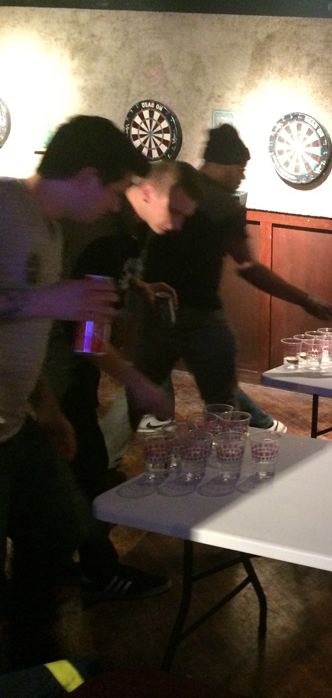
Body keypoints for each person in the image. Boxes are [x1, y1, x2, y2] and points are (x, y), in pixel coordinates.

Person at [0, 115, 148, 668]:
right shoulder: (5, 206)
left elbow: (24, 333)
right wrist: (48, 301)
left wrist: (48, 408)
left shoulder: (54, 230)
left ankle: (31, 656)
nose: (115, 205)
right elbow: (38, 309)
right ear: (86, 176)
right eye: (115, 190)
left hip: (17, 422)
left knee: (59, 526)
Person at [43, 160, 204, 604]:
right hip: (56, 371)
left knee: (66, 472)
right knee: (86, 470)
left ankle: (57, 562)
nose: (177, 224)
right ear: (147, 192)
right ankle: (99, 574)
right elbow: (87, 340)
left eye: (186, 216)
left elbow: (102, 276)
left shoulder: (128, 229)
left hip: (59, 368)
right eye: (175, 211)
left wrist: (139, 285)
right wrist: (139, 383)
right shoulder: (106, 237)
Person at [133, 124, 332, 430]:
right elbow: (249, 268)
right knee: (220, 396)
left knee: (143, 391)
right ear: (224, 165)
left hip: (156, 306)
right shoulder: (223, 204)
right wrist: (304, 299)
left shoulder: (177, 186)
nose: (242, 176)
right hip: (199, 313)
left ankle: (153, 430)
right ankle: (238, 435)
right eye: (240, 168)